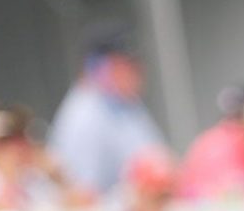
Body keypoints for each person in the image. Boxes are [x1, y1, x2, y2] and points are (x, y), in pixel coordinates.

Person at [48, 27, 165, 195]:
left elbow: (157, 159)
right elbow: (84, 195)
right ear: (96, 67)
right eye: (125, 65)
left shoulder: (127, 105)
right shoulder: (83, 115)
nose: (136, 73)